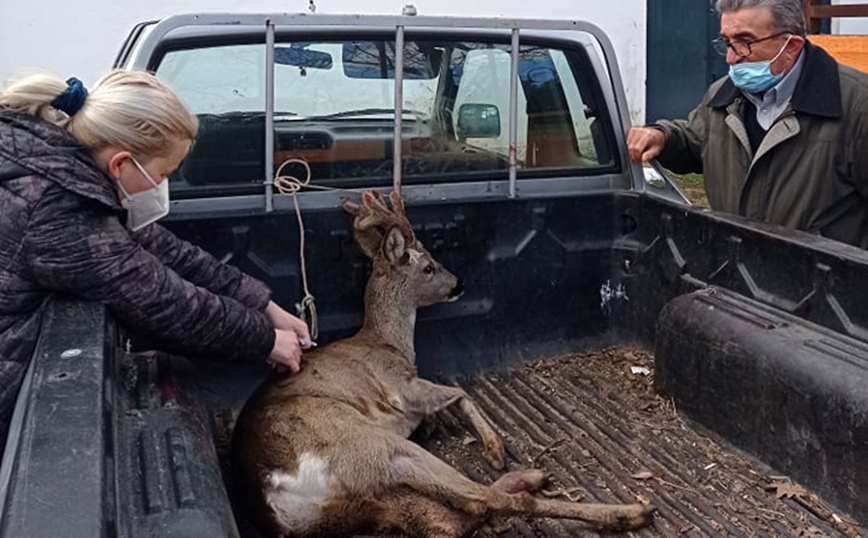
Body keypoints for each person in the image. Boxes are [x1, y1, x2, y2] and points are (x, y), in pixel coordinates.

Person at [0, 71, 311, 441]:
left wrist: (264, 306)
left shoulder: (59, 169)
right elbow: (163, 302)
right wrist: (266, 340)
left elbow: (168, 252)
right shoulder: (60, 210)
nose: (164, 187)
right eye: (164, 174)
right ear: (121, 164)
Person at [628, 0, 868, 249]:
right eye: (726, 42)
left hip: (822, 283)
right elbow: (698, 139)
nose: (731, 58)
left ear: (791, 46)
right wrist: (663, 136)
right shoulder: (723, 95)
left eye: (745, 42)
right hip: (738, 276)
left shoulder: (857, 105)